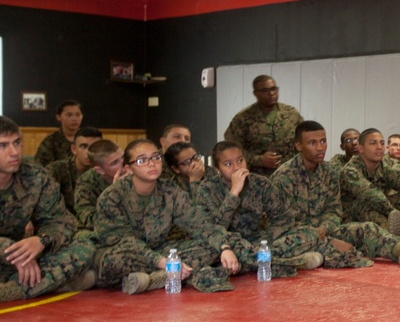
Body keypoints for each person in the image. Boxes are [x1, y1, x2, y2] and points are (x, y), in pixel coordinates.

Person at [272, 122, 400, 267]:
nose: (320, 147)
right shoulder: (284, 177)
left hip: (325, 230)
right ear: (298, 145)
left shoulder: (328, 172)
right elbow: (282, 224)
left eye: (323, 141)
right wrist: (325, 240)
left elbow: (334, 210)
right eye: (312, 143)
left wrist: (326, 229)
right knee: (347, 246)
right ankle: (317, 254)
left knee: (367, 229)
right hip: (296, 237)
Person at [93, 139, 231, 294]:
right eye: (142, 160)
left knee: (210, 247)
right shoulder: (112, 196)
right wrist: (161, 262)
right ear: (128, 168)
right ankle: (166, 273)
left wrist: (223, 247)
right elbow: (124, 242)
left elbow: (199, 223)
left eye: (155, 157)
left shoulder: (170, 190)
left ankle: (153, 279)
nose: (151, 164)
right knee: (114, 260)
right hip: (126, 253)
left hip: (159, 249)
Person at [194, 141, 326, 277]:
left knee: (310, 234)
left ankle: (244, 265)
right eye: (228, 164)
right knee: (216, 246)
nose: (236, 167)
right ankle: (284, 262)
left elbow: (283, 218)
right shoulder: (207, 189)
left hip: (259, 240)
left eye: (240, 160)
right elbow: (213, 230)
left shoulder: (260, 183)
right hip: (227, 244)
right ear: (217, 168)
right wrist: (233, 193)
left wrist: (267, 239)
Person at [0, 116, 96, 303]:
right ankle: (50, 284)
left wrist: (42, 241)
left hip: (23, 258)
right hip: (14, 255)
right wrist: (16, 254)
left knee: (85, 248)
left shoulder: (35, 176)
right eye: (3, 146)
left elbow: (61, 221)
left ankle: (13, 290)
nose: (14, 152)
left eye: (17, 143)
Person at [224, 75, 303, 176]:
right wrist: (260, 160)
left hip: (290, 176)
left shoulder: (291, 114)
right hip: (257, 179)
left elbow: (304, 141)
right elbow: (232, 150)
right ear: (255, 93)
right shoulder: (243, 118)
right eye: (265, 90)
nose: (271, 93)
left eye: (274, 89)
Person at [45, 126, 103, 215]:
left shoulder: (107, 172)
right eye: (83, 146)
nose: (89, 152)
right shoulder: (56, 170)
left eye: (95, 147)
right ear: (74, 149)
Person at [73, 140, 128, 231]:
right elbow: (90, 221)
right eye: (115, 163)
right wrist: (115, 191)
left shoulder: (135, 170)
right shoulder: (86, 184)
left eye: (123, 157)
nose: (123, 164)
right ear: (100, 170)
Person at [34, 100, 84, 167]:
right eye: (69, 115)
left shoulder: (88, 138)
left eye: (78, 115)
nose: (74, 119)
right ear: (59, 117)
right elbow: (39, 167)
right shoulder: (50, 141)